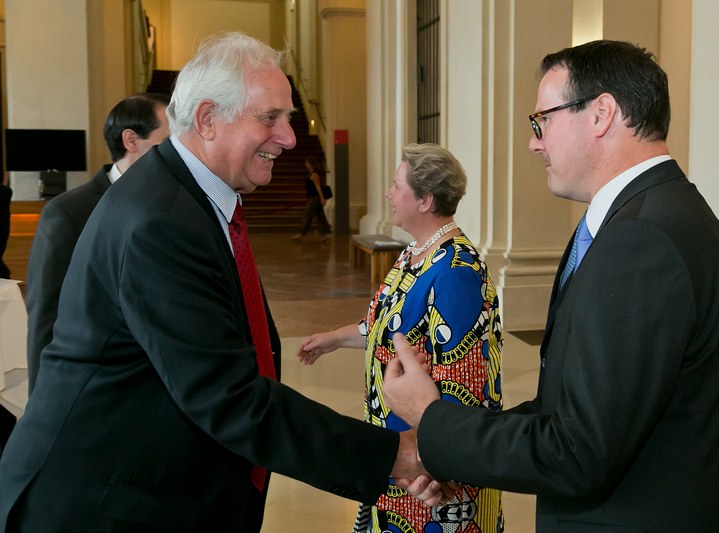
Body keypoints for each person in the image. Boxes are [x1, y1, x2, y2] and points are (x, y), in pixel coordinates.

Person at [0, 32, 439, 532]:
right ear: (208, 119)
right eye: (270, 118)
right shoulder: (160, 221)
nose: (288, 138)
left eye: (288, 118)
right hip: (99, 503)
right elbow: (228, 396)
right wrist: (396, 455)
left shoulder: (188, 196)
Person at [383, 40, 719, 532]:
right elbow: (571, 410)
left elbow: (578, 451)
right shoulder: (649, 215)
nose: (534, 142)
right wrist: (445, 452)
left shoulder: (640, 239)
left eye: (542, 120)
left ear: (601, 114)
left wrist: (431, 418)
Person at [298, 143, 504, 532]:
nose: (388, 194)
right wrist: (335, 338)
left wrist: (432, 462)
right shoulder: (415, 252)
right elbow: (387, 328)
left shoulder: (456, 271)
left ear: (425, 200)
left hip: (429, 469)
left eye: (397, 186)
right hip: (396, 447)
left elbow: (465, 386)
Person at [25, 92, 170, 394]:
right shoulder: (68, 213)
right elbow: (46, 317)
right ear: (131, 140)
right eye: (169, 141)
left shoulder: (177, 205)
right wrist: (42, 400)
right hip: (99, 388)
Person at [292, 155, 332, 241]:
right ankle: (327, 232)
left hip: (315, 198)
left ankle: (302, 233)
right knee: (320, 215)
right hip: (312, 197)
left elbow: (318, 187)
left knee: (308, 214)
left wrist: (322, 198)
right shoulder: (311, 173)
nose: (305, 164)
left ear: (311, 163)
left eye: (307, 163)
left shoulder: (314, 174)